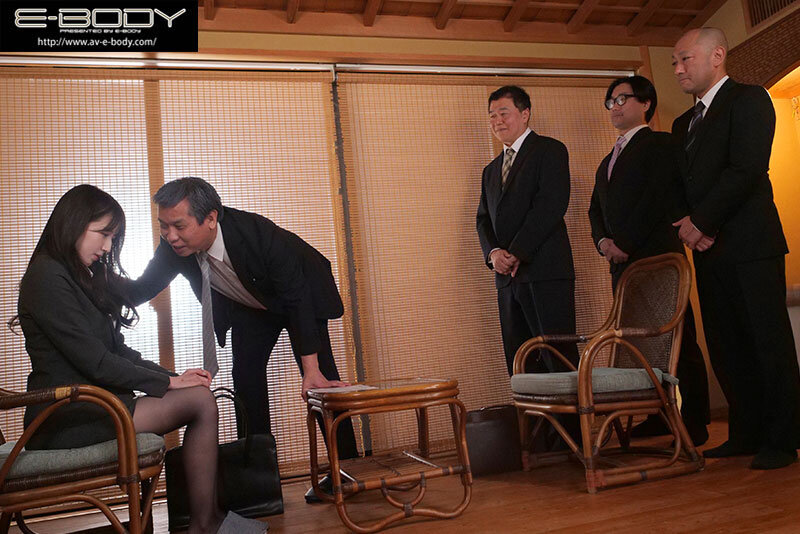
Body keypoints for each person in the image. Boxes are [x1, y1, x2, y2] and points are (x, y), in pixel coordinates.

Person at [10, 184, 266, 534]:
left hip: (95, 406)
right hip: (66, 418)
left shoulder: (76, 276)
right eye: (103, 234)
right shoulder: (46, 277)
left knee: (198, 395)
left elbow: (119, 352)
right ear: (74, 223)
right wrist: (170, 383)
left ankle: (207, 520)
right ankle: (205, 524)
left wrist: (174, 377)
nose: (107, 247)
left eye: (112, 238)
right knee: (201, 403)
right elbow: (97, 363)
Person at [124, 177, 358, 501]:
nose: (170, 235)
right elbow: (141, 288)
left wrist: (310, 369)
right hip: (252, 304)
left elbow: (296, 296)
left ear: (210, 218)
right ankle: (259, 481)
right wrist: (89, 283)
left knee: (322, 382)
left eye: (178, 225)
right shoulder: (174, 248)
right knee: (246, 379)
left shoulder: (258, 234)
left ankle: (346, 470)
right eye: (164, 226)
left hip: (301, 294)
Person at [671, 27, 800, 469]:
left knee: (767, 342)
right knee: (726, 345)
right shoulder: (682, 124)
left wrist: (702, 222)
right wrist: (691, 226)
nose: (678, 69)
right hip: (708, 250)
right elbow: (680, 185)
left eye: (685, 59)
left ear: (717, 55)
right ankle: (745, 433)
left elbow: (746, 169)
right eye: (674, 62)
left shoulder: (749, 99)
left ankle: (783, 440)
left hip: (751, 244)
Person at [588, 75, 710, 445]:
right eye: (610, 101)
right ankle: (657, 415)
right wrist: (603, 243)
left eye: (622, 99)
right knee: (639, 344)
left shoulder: (660, 143)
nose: (615, 107)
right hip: (622, 266)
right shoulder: (607, 160)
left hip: (657, 259)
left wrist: (625, 242)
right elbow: (595, 210)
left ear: (645, 103)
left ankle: (695, 420)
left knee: (677, 338)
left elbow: (656, 198)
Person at [476, 85, 579, 449]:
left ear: (525, 113)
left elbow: (551, 205)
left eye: (503, 112)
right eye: (492, 115)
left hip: (545, 271)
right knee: (520, 360)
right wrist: (494, 254)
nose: (497, 120)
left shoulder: (549, 150)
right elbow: (483, 220)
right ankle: (538, 439)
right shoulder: (490, 170)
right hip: (507, 279)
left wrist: (517, 251)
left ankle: (574, 438)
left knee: (556, 354)